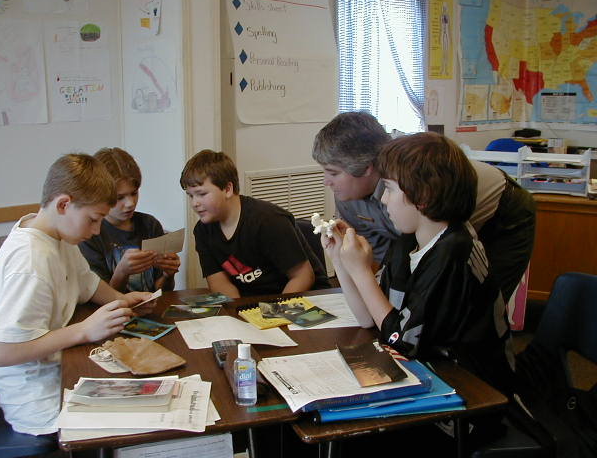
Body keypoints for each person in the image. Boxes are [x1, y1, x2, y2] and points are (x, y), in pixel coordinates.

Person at [323, 133, 515, 394]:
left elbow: (401, 342)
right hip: (432, 371)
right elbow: (371, 318)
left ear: (422, 195)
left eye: (389, 189)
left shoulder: (453, 250)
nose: (382, 199)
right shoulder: (408, 240)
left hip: (471, 387)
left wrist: (361, 272)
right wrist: (342, 262)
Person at [0, 153, 157, 436]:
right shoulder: (30, 261)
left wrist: (121, 299)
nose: (97, 229)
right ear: (63, 204)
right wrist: (84, 331)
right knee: (143, 424)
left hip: (58, 371)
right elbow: (2, 352)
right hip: (37, 400)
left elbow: (85, 281)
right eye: (93, 219)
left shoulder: (58, 236)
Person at [313, 111, 536, 303]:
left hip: (501, 214)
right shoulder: (347, 194)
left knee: (478, 303)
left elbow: (437, 261)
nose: (326, 182)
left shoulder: (418, 183)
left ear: (368, 168)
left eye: (333, 172)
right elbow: (379, 263)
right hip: (440, 228)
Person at [180, 149, 329, 298]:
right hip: (255, 305)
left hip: (303, 298)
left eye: (202, 194)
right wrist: (237, 314)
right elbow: (220, 283)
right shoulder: (202, 230)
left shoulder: (269, 221)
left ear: (227, 189)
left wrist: (275, 314)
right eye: (190, 195)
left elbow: (303, 276)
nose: (194, 203)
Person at [79, 147, 180, 293]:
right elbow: (99, 299)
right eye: (120, 197)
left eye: (134, 193)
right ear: (100, 195)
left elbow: (162, 291)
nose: (130, 203)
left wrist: (168, 275)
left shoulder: (150, 225)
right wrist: (122, 272)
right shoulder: (91, 235)